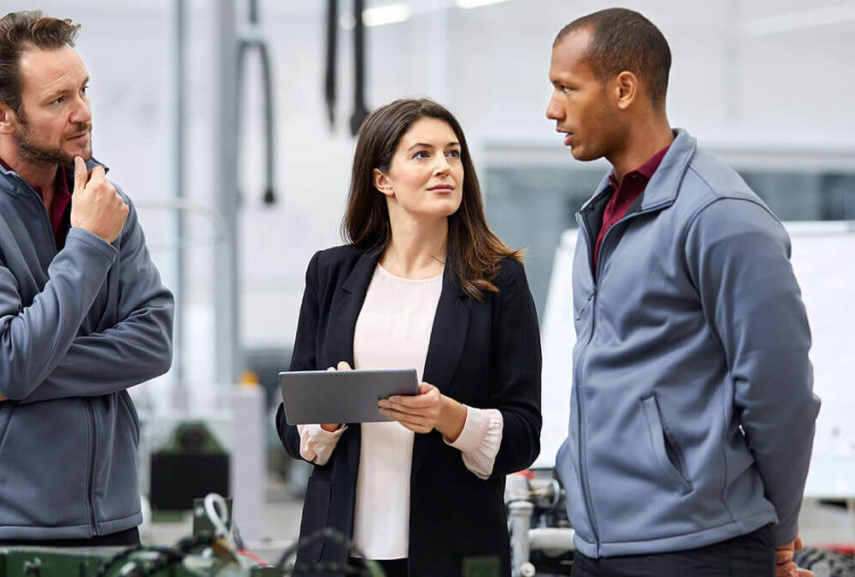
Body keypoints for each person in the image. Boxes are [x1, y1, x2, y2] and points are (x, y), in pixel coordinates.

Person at [544, 8, 819, 577]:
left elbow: (780, 392)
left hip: (695, 549)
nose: (553, 109)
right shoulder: (605, 209)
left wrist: (782, 530)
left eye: (566, 88)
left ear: (624, 89)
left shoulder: (720, 215)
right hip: (600, 546)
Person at [0, 11, 174, 546]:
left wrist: (8, 381)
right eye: (58, 101)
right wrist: (89, 245)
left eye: (82, 90)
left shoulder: (101, 199)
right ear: (2, 115)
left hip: (114, 517)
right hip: (1, 523)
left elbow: (153, 344)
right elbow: (12, 358)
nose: (82, 113)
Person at [275, 98, 542, 577]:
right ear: (383, 180)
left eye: (453, 153)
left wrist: (449, 417)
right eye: (422, 154)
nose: (445, 167)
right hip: (337, 555)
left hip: (454, 553)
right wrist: (329, 418)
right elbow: (291, 423)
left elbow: (524, 434)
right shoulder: (331, 274)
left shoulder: (499, 281)